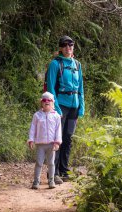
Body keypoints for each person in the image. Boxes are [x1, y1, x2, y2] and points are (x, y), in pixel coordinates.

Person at [46, 35, 85, 184]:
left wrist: (81, 106)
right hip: (60, 105)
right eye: (65, 45)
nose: (69, 48)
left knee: (68, 138)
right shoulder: (55, 64)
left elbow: (80, 86)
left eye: (71, 45)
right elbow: (50, 87)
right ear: (61, 48)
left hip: (74, 106)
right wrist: (56, 108)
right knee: (57, 139)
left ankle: (64, 170)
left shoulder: (77, 65)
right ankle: (53, 172)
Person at [28, 92, 62, 189]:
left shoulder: (56, 116)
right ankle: (36, 181)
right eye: (44, 101)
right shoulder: (37, 115)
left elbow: (58, 130)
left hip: (51, 144)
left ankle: (51, 181)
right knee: (39, 162)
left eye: (49, 101)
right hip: (40, 144)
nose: (46, 102)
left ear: (53, 103)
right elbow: (33, 128)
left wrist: (57, 142)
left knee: (51, 163)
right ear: (41, 103)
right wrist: (31, 140)